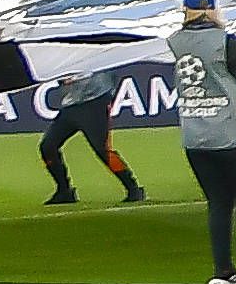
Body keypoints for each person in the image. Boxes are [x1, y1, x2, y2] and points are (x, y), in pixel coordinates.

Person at [168, 0, 236, 284]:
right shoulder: (226, 42)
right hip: (230, 134)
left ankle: (222, 272)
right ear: (213, 7)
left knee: (218, 201)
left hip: (194, 136)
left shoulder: (175, 40)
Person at [36, 58, 152, 211]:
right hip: (71, 105)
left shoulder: (94, 42)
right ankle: (64, 190)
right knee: (47, 146)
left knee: (101, 148)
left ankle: (133, 188)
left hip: (95, 102)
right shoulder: (64, 50)